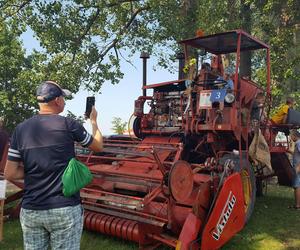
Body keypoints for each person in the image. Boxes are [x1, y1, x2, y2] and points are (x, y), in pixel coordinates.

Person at [4, 80, 103, 249]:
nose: (64, 102)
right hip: (65, 209)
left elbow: (10, 173)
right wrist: (93, 121)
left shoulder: (20, 129)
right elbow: (98, 146)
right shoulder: (68, 124)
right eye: (63, 98)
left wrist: (36, 171)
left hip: (31, 210)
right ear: (57, 100)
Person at [289, 129, 300, 209]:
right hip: (297, 166)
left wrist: (298, 167)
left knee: (296, 186)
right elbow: (294, 152)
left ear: (295, 136)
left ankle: (297, 205)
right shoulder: (297, 143)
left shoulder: (299, 143)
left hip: (298, 167)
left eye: (291, 135)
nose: (290, 137)